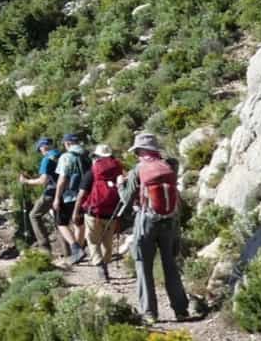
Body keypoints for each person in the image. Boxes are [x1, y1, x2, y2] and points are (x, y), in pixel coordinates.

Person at [128, 132, 194, 323]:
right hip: (170, 222)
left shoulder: (137, 170)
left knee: (143, 266)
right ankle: (181, 310)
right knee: (170, 265)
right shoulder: (169, 166)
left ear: (141, 150)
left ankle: (149, 313)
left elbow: (126, 198)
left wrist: (120, 186)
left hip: (146, 221)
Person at [82, 142, 124, 282]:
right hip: (111, 212)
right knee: (108, 242)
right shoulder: (118, 171)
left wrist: (77, 211)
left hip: (93, 212)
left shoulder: (93, 172)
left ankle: (100, 266)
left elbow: (82, 193)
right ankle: (106, 263)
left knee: (93, 241)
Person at [53, 134, 91, 265]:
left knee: (61, 223)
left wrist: (57, 198)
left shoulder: (66, 157)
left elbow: (62, 179)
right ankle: (78, 253)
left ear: (68, 143)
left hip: (69, 195)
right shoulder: (87, 155)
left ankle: (75, 248)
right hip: (85, 195)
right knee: (79, 224)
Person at [19, 138, 58, 248]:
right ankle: (68, 252)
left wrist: (27, 181)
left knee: (34, 215)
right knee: (59, 221)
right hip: (65, 192)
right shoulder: (61, 154)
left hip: (51, 192)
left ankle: (44, 247)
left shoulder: (47, 159)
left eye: (40, 150)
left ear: (42, 147)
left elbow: (43, 180)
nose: (41, 152)